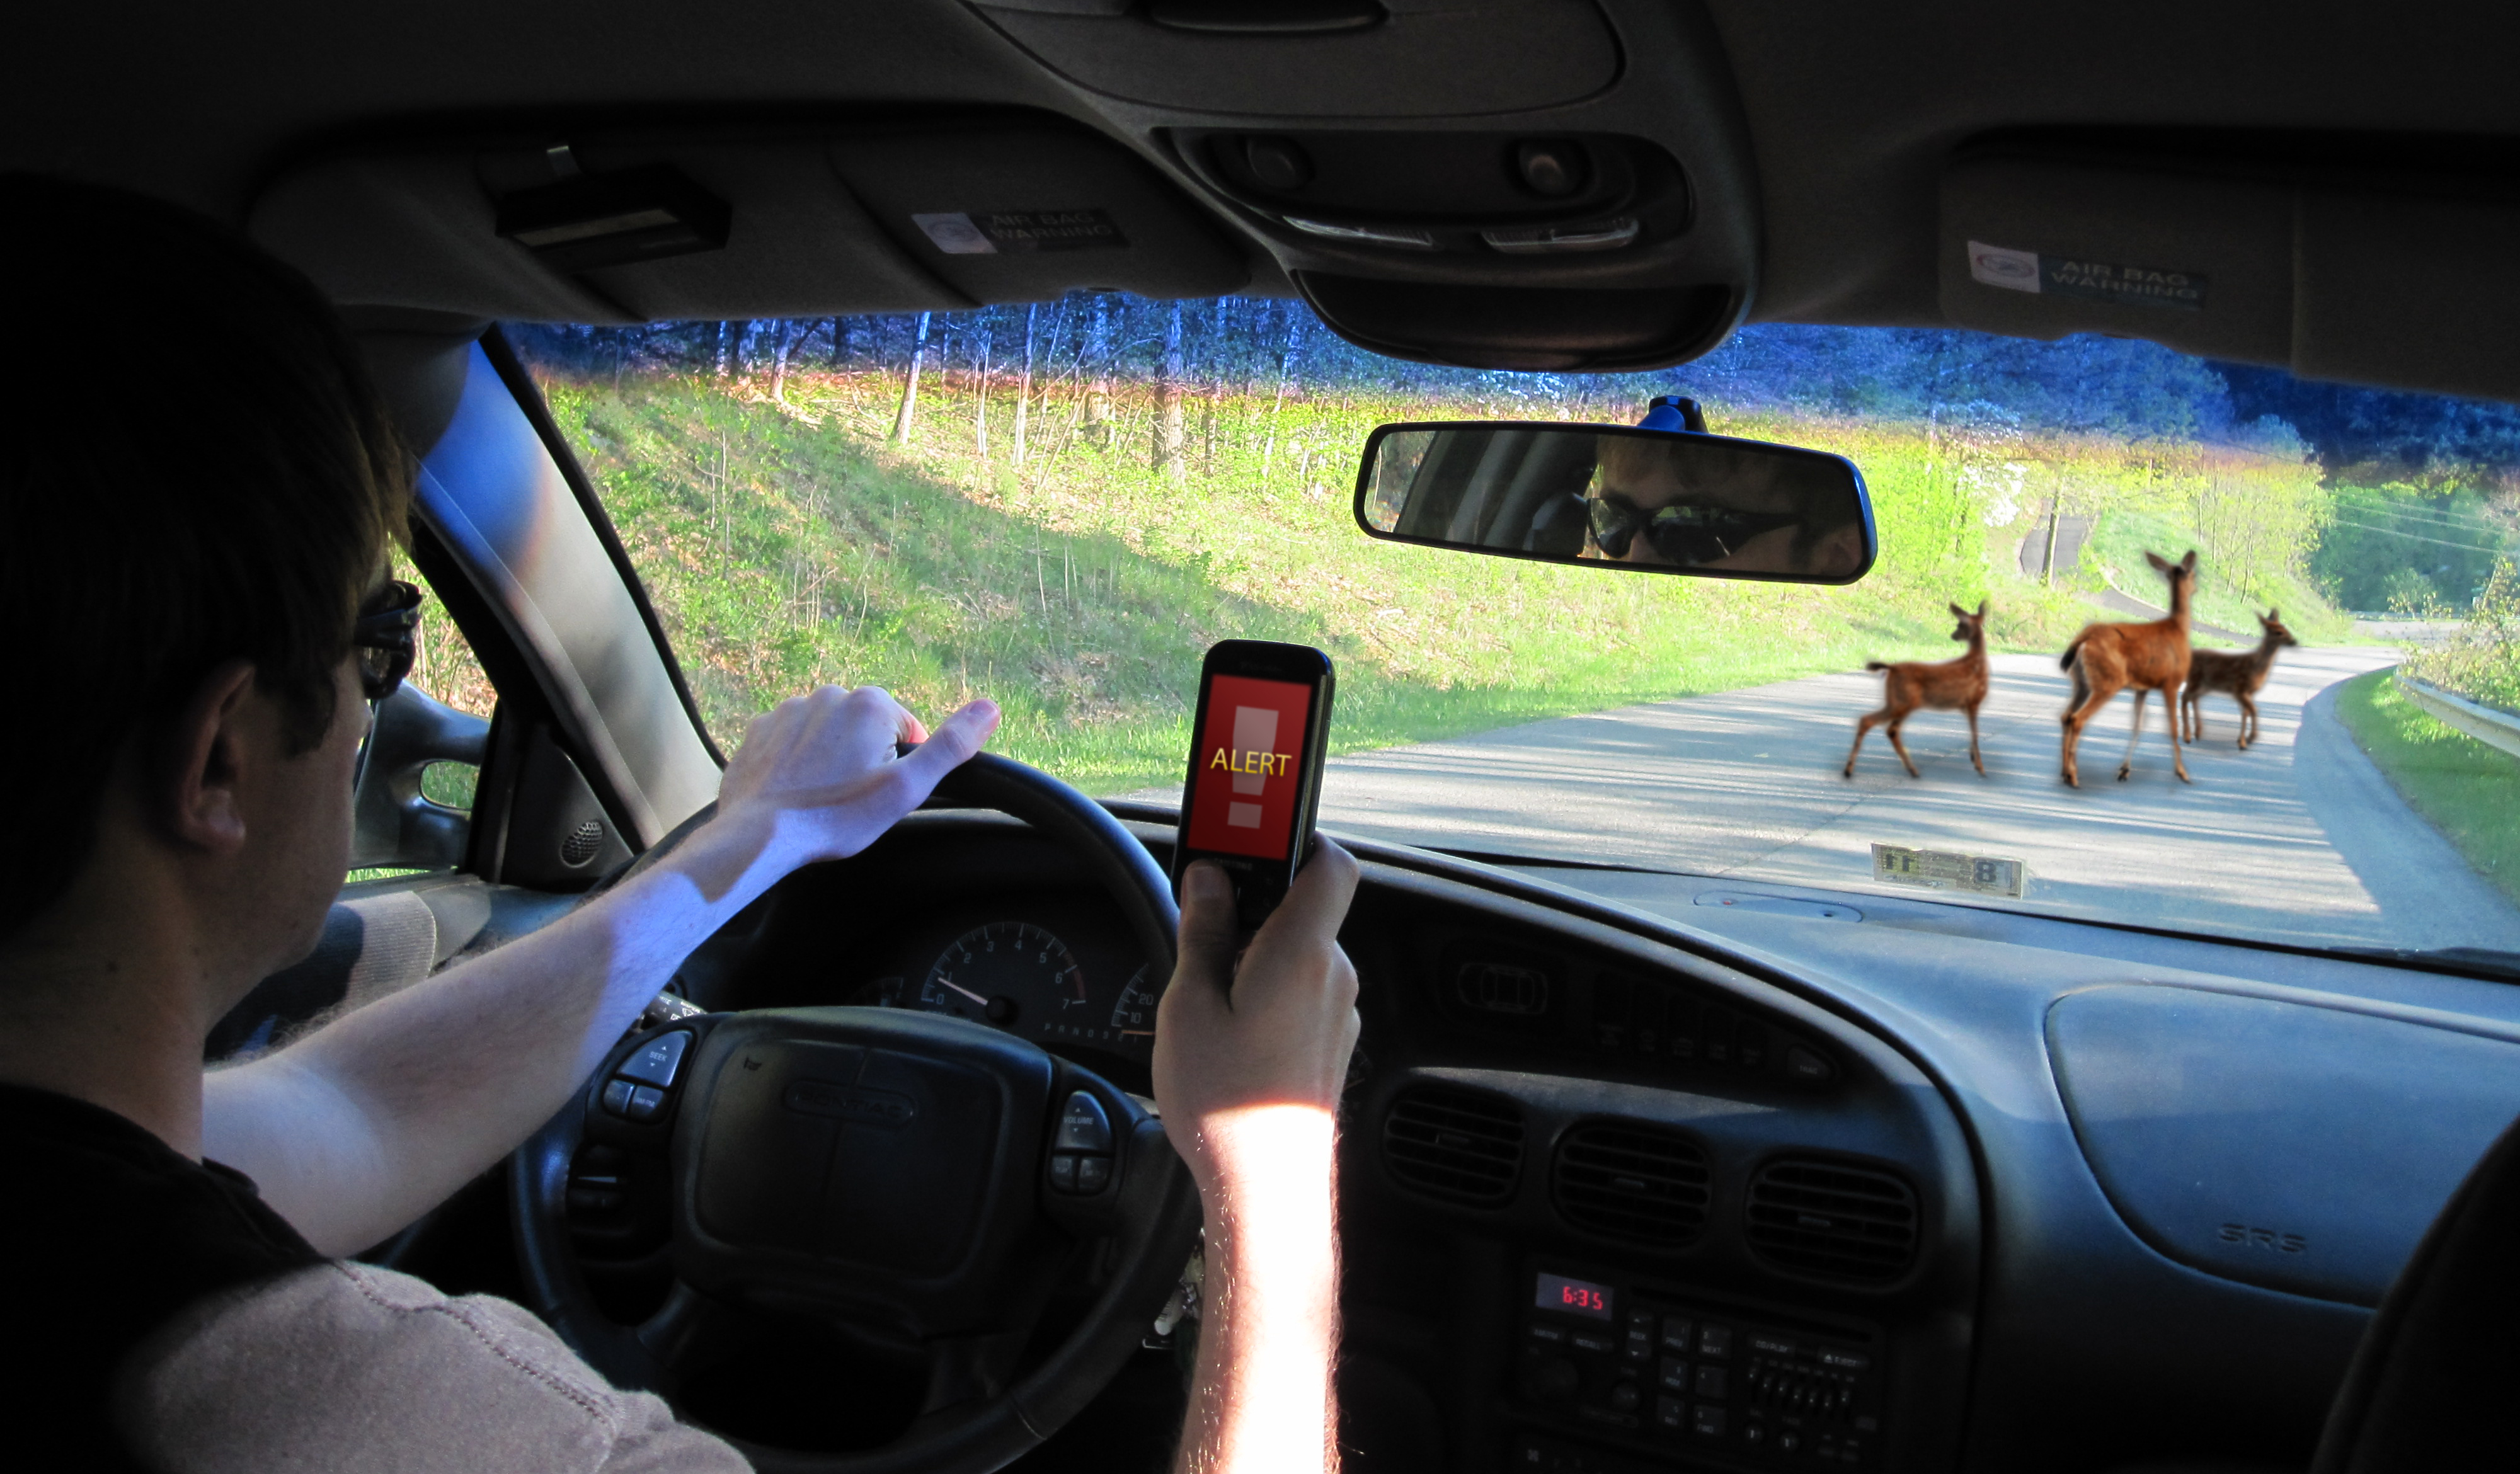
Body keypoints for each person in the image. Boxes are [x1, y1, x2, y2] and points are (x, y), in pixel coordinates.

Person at [0, 174, 1361, 1473]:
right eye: (380, 641)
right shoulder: (383, 1421)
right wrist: (1267, 1173)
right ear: (222, 760)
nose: (379, 701)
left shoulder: (88, 1165)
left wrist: (739, 841)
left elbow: (347, 1108)